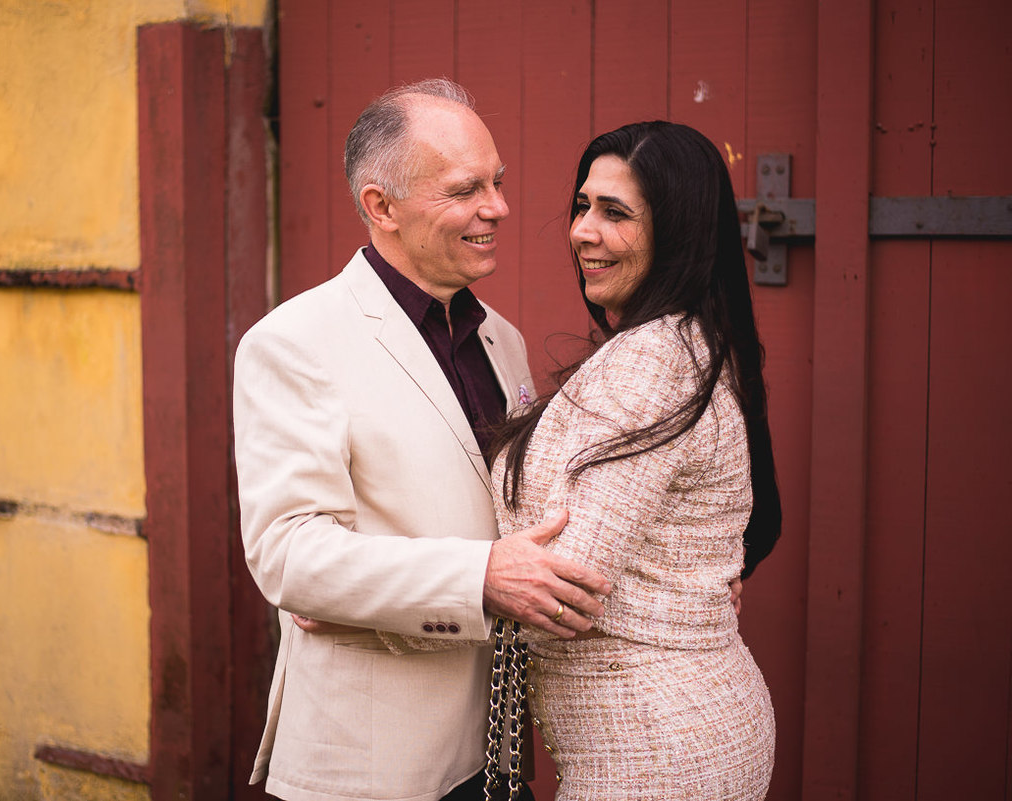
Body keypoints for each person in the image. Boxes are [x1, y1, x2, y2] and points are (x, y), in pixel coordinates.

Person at [232, 79, 612, 801]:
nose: (497, 208)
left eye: (497, 182)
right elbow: (288, 554)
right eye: (465, 189)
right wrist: (479, 577)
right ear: (382, 207)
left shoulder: (503, 340)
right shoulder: (294, 342)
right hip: (374, 763)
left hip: (495, 751)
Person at [383, 121, 782, 799]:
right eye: (583, 206)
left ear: (678, 233)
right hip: (683, 725)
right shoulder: (690, 342)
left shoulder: (650, 360)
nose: (583, 232)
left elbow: (566, 590)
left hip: (654, 752)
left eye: (615, 213)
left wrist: (369, 603)